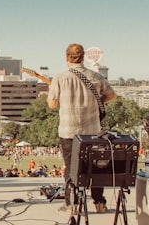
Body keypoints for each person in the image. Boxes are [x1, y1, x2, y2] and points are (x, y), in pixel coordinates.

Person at [47, 43, 116, 212]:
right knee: (96, 167)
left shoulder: (60, 78)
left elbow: (52, 104)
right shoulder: (95, 76)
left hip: (69, 130)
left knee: (71, 168)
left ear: (66, 58)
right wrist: (96, 102)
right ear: (83, 57)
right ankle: (99, 203)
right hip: (93, 130)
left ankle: (73, 204)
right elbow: (111, 95)